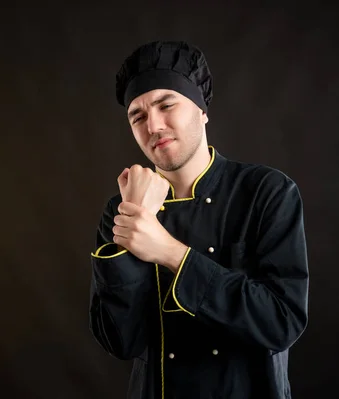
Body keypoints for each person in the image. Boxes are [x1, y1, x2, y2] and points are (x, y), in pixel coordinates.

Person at [88, 40, 309, 399]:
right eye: (138, 116)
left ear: (202, 110)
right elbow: (119, 342)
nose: (153, 125)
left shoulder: (266, 191)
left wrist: (170, 252)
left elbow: (280, 323)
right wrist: (137, 217)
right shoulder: (122, 208)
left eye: (166, 104)